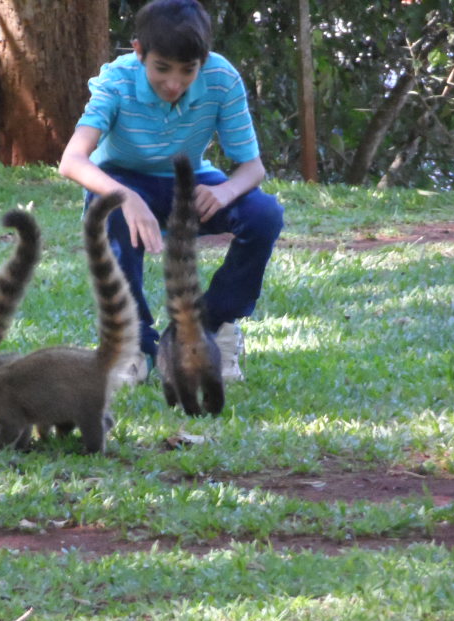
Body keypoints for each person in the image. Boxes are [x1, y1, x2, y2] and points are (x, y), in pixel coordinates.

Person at [58, 0, 284, 383]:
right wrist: (126, 198)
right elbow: (72, 160)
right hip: (122, 179)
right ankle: (131, 344)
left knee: (264, 215)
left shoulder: (221, 78)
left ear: (203, 60)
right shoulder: (117, 80)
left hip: (188, 180)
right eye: (162, 69)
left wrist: (226, 192)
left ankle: (214, 328)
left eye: (188, 70)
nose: (174, 84)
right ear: (139, 52)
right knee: (111, 209)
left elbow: (252, 168)